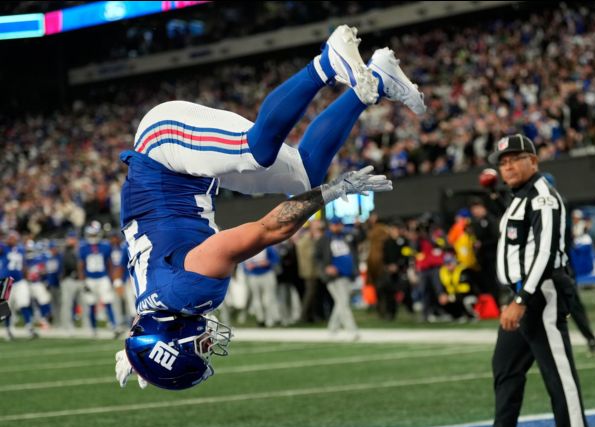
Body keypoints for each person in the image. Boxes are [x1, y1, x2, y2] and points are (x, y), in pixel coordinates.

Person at [115, 25, 417, 390]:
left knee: (256, 152)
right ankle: (378, 78)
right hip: (186, 171)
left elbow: (269, 229)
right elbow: (150, 318)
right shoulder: (159, 303)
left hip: (163, 144)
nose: (208, 345)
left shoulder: (190, 292)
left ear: (173, 336)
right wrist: (137, 352)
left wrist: (333, 193)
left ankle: (325, 63)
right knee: (304, 173)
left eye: (198, 347)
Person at [453, 135, 595, 427]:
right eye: (503, 162)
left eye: (515, 159)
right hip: (523, 295)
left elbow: (545, 252)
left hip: (540, 295)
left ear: (534, 161)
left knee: (559, 375)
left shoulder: (543, 197)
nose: (508, 166)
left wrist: (521, 299)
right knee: (505, 367)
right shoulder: (519, 198)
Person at [316, 217, 360, 340]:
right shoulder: (324, 238)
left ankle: (332, 328)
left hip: (347, 275)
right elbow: (317, 257)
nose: (337, 227)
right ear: (331, 225)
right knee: (343, 303)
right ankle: (352, 330)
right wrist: (326, 268)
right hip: (334, 277)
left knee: (341, 303)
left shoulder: (346, 236)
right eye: (335, 225)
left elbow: (358, 240)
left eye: (339, 224)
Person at [79, 223, 119, 338]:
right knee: (91, 304)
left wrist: (112, 279)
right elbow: (81, 265)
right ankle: (93, 328)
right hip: (90, 279)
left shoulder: (105, 246)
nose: (92, 237)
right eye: (91, 234)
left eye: (94, 234)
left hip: (103, 278)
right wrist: (83, 281)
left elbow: (109, 264)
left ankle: (113, 326)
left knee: (108, 302)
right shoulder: (83, 247)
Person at [243, 246, 281, 327]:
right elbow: (244, 263)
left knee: (268, 298)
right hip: (253, 275)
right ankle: (260, 319)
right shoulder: (248, 247)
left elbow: (275, 259)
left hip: (267, 274)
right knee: (257, 299)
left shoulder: (267, 246)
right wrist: (247, 267)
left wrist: (268, 262)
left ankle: (270, 319)